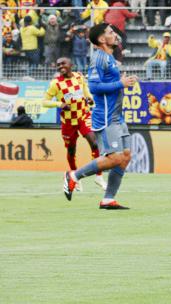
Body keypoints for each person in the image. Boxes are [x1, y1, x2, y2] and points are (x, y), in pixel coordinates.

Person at [63, 23, 138, 210]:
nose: (115, 34)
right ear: (102, 39)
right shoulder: (98, 58)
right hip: (105, 117)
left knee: (125, 157)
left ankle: (108, 199)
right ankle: (73, 176)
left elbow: (111, 83)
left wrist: (123, 82)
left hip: (117, 116)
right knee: (113, 158)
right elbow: (94, 88)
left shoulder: (109, 57)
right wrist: (120, 83)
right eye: (111, 32)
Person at [44, 57, 107, 191]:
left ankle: (99, 175)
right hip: (68, 122)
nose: (60, 66)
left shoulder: (79, 77)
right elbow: (45, 102)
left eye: (63, 63)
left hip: (83, 116)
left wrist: (90, 99)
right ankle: (74, 175)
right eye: (58, 64)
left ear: (71, 64)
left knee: (94, 143)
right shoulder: (56, 83)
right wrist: (59, 104)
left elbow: (86, 91)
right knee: (71, 150)